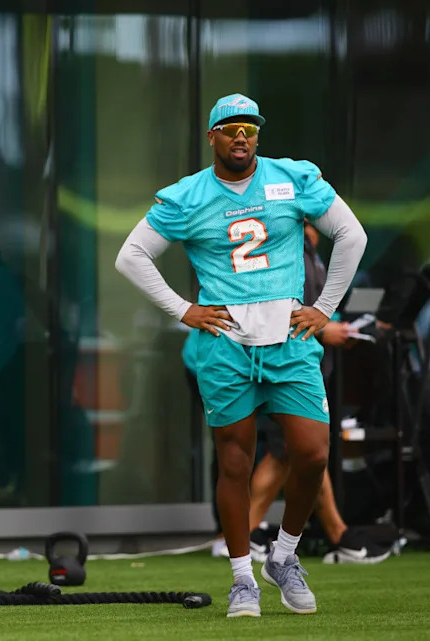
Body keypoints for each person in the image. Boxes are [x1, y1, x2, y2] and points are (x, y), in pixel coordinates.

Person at [115, 93, 367, 618]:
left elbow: (352, 234)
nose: (240, 136)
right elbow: (131, 256)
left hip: (291, 339)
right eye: (229, 128)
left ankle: (285, 556)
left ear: (258, 134)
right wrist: (182, 309)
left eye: (249, 127)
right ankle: (241, 579)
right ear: (212, 137)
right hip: (225, 343)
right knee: (235, 463)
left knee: (313, 452)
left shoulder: (292, 178)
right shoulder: (187, 195)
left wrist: (324, 308)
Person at [183, 223, 391, 565]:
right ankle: (237, 537)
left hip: (264, 356)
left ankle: (334, 534)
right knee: (271, 451)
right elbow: (282, 309)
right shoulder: (286, 242)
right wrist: (329, 327)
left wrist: (343, 322)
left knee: (307, 448)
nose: (317, 225)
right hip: (229, 357)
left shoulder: (310, 251)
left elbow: (299, 305)